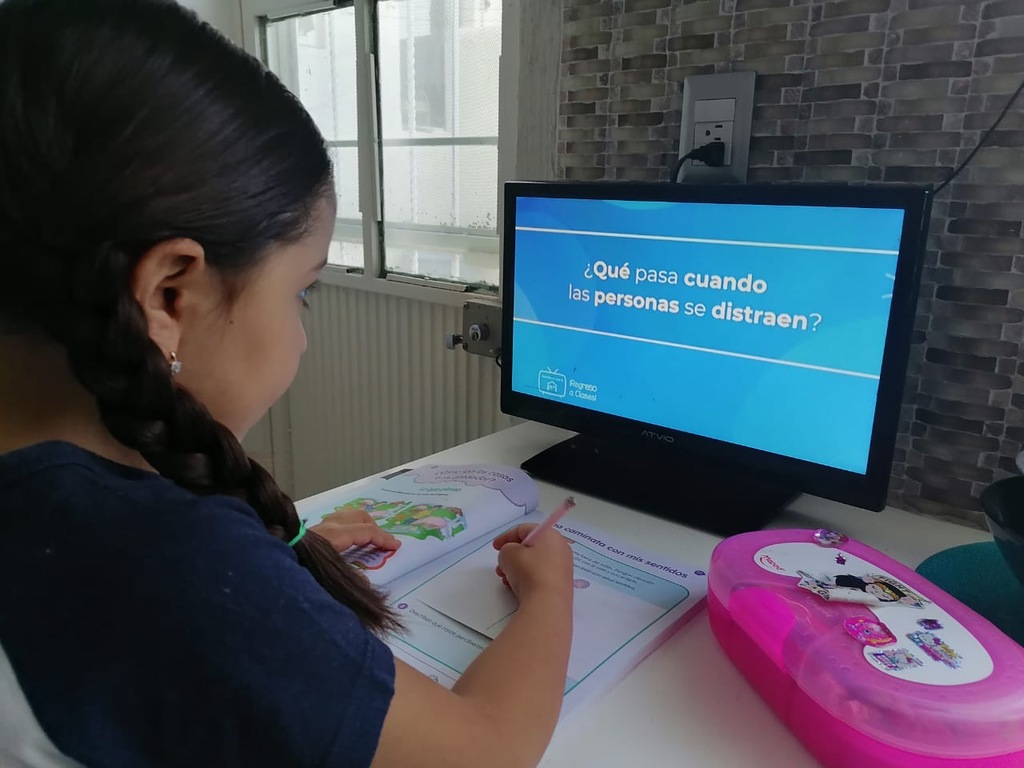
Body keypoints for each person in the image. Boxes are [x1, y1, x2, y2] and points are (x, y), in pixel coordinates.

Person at [0, 1, 574, 766]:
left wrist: (258, 557)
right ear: (170, 294)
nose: (301, 332)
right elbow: (483, 751)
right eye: (302, 291)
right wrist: (549, 593)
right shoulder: (165, 566)